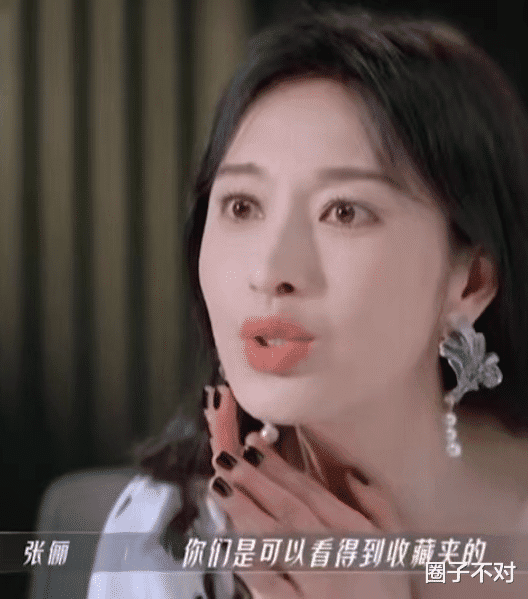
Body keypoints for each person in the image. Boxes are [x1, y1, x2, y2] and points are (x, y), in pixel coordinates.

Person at [29, 6, 528, 598]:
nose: (270, 272)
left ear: (469, 283)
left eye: (344, 212)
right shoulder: (173, 535)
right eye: (242, 206)